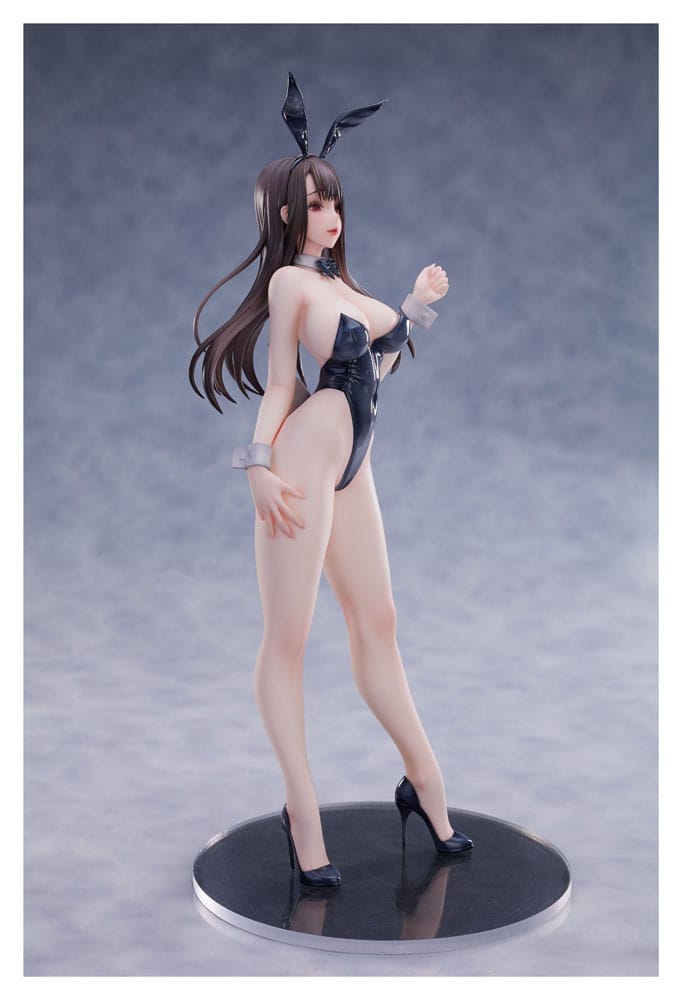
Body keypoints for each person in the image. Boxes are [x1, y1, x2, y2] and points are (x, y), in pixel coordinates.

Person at [189, 73, 473, 887]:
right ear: (285, 213)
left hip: (354, 462)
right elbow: (283, 383)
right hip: (305, 456)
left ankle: (426, 785)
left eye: (334, 200)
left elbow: (376, 369)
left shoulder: (344, 285)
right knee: (288, 639)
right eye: (314, 203)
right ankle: (303, 812)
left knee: (378, 622)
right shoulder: (290, 284)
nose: (330, 214)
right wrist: (256, 466)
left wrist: (415, 305)